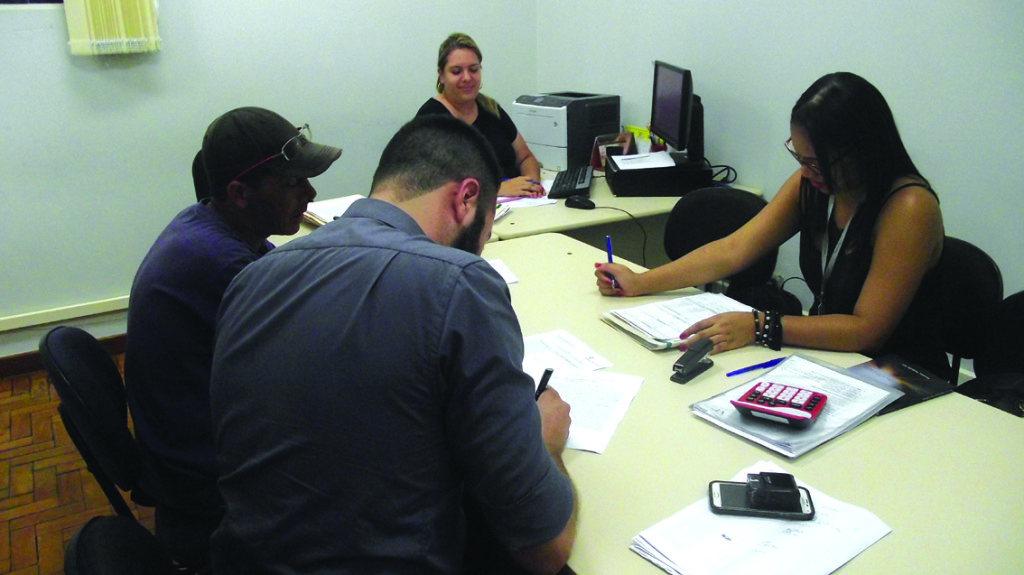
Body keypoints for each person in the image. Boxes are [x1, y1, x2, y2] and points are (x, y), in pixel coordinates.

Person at [209, 114, 578, 575]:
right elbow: (544, 547)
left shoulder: (249, 280)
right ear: (466, 199)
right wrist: (545, 443)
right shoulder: (460, 285)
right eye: (482, 237)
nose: (476, 252)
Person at [595, 72, 949, 379]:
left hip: (898, 373)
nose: (807, 171)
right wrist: (642, 282)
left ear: (862, 149)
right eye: (800, 157)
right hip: (835, 359)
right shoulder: (814, 183)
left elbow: (867, 330)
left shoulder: (909, 208)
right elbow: (734, 249)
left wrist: (760, 325)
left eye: (818, 162)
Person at [124, 106, 342, 570]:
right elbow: (317, 366)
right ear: (239, 192)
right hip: (208, 488)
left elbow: (282, 279)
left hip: (188, 453)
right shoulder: (221, 265)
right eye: (292, 183)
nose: (310, 192)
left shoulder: (211, 224)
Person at [416, 32, 545, 198]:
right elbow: (432, 184)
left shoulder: (491, 108)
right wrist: (497, 190)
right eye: (456, 71)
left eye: (473, 69)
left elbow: (526, 158)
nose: (467, 78)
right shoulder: (431, 117)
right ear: (441, 75)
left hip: (518, 206)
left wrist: (531, 185)